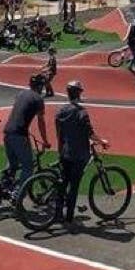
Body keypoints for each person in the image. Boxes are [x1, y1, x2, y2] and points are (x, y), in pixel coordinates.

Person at [55, 80, 109, 229]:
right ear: (79, 93)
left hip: (65, 152)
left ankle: (58, 214)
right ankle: (69, 217)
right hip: (79, 155)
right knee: (74, 186)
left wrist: (60, 150)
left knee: (63, 183)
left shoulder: (61, 111)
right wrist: (102, 141)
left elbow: (59, 134)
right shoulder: (81, 112)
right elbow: (90, 134)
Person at [2, 74, 51, 194]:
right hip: (19, 135)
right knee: (28, 167)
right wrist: (45, 141)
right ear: (40, 86)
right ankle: (17, 194)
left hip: (8, 132)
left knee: (13, 165)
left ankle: (0, 189)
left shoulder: (21, 94)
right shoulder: (38, 99)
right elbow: (41, 122)